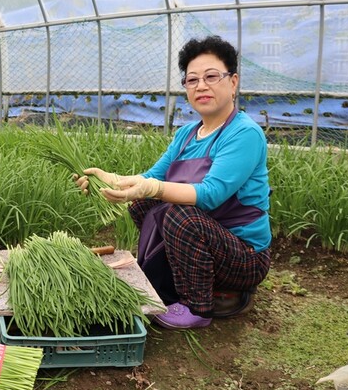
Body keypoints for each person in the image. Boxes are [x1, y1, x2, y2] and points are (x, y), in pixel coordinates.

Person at [75, 35, 271, 330]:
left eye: (211, 76)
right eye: (192, 80)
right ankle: (181, 281)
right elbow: (153, 178)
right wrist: (110, 182)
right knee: (144, 204)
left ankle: (199, 306)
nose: (201, 86)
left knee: (182, 216)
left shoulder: (244, 133)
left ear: (233, 82)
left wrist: (153, 188)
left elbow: (212, 194)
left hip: (243, 256)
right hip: (206, 239)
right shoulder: (187, 134)